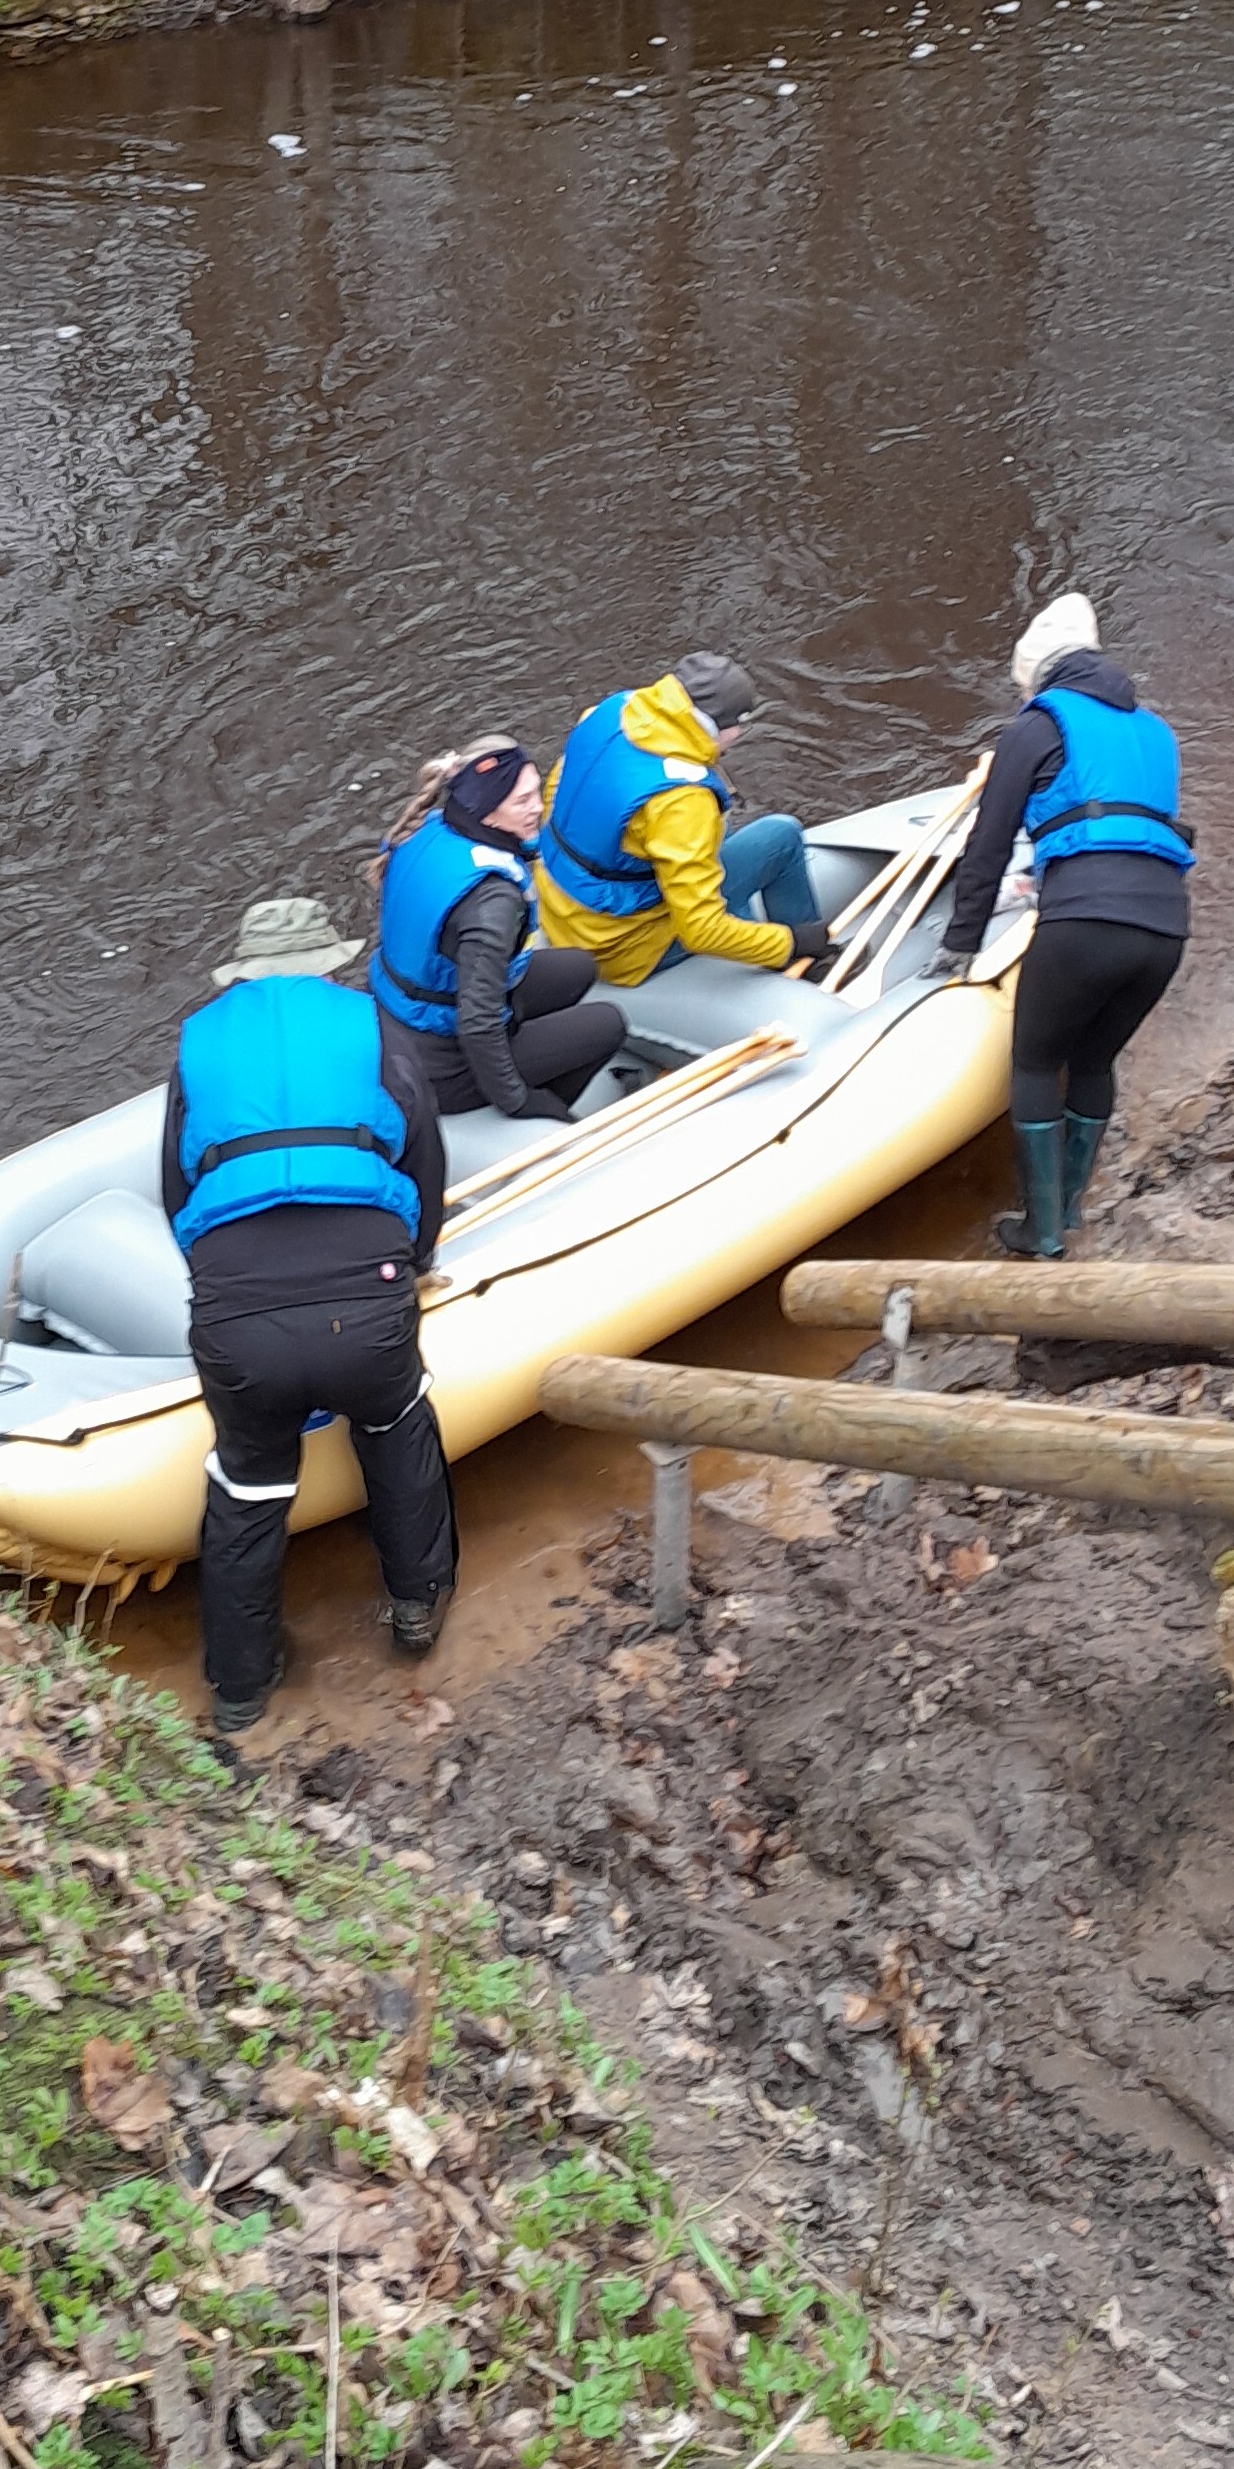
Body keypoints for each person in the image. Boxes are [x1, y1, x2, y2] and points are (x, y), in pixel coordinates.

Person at [162, 896, 458, 1735]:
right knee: (397, 1427)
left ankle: (240, 1690)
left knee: (247, 1482)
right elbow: (424, 1148)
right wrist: (418, 1256)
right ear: (330, 962)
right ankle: (415, 1609)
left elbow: (177, 1189)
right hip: (365, 1291)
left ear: (243, 974)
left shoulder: (198, 1043)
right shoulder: (371, 1025)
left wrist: (219, 1286)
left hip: (237, 1311)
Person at [930, 594, 1191, 1259]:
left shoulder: (1034, 727)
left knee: (1037, 1062)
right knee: (1095, 1058)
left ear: (1039, 676)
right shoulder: (1156, 730)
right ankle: (1072, 1206)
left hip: (1085, 923)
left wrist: (960, 944)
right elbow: (1125, 825)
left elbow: (988, 844)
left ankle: (1039, 1232)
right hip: (1166, 927)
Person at [530, 652, 834, 988]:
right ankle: (811, 966)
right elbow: (701, 931)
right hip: (623, 949)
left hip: (562, 913)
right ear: (724, 725)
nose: (739, 734)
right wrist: (791, 941)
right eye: (738, 726)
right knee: (782, 836)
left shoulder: (610, 712)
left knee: (719, 829)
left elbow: (558, 790)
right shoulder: (683, 801)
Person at [369, 738, 630, 1120]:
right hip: (441, 1065)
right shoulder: (492, 904)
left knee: (579, 968)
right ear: (489, 814)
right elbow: (477, 1024)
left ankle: (535, 1055)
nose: (538, 808)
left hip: (406, 1017)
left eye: (536, 793)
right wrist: (518, 1099)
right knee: (609, 1023)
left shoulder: (427, 831)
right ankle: (551, 1112)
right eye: (522, 801)